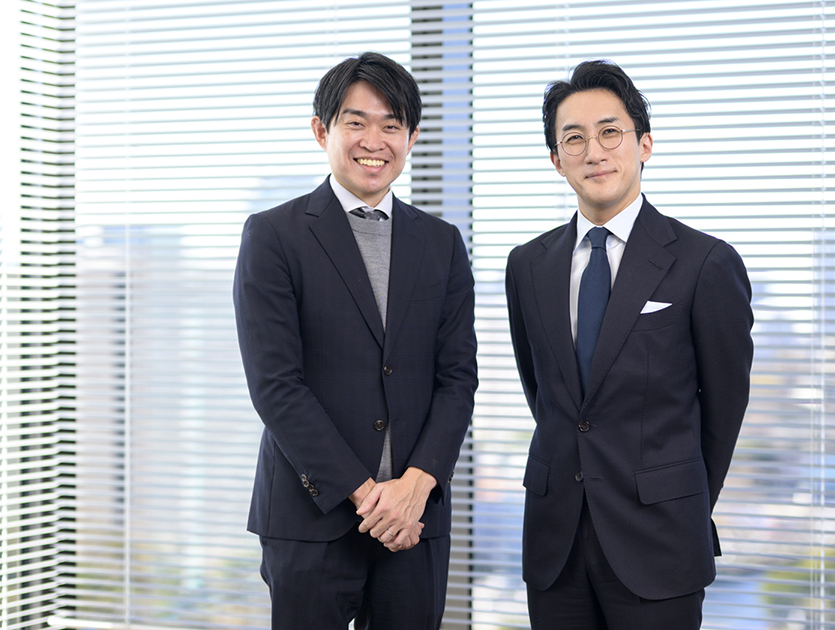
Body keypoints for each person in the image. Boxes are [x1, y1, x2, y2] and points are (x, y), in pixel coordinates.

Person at [504, 59, 753, 629]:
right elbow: (545, 393)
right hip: (555, 542)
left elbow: (724, 411)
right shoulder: (527, 265)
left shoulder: (705, 263)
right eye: (574, 138)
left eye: (610, 132)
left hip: (660, 542)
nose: (594, 151)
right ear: (556, 160)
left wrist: (677, 499)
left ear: (644, 144)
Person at [233, 51, 477, 629]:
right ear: (322, 131)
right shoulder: (274, 235)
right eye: (356, 122)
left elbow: (457, 379)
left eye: (391, 125)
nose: (375, 141)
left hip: (415, 521)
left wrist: (415, 486)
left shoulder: (442, 242)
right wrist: (371, 497)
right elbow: (276, 386)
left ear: (411, 138)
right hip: (311, 518)